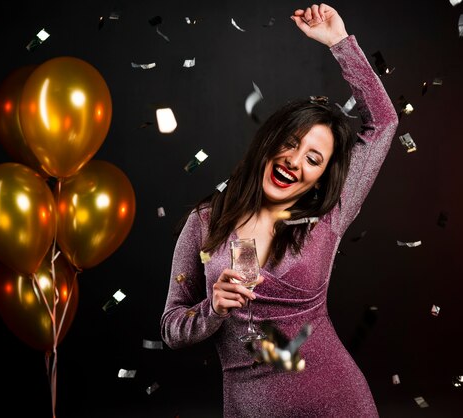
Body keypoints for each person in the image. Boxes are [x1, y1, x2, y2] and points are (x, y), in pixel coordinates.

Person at [160, 3, 398, 417]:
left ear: (323, 177)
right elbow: (171, 328)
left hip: (338, 402)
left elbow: (383, 123)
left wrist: (340, 44)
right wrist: (212, 309)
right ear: (269, 142)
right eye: (291, 142)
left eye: (313, 158)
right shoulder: (205, 221)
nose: (295, 160)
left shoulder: (331, 215)